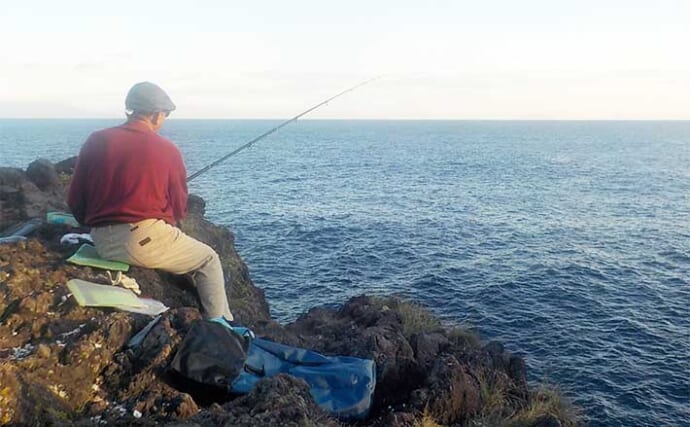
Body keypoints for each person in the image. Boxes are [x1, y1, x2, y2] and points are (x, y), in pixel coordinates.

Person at [67, 81, 233, 320]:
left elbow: (75, 198)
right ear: (156, 115)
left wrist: (94, 222)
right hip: (140, 240)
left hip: (101, 240)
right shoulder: (167, 149)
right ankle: (221, 327)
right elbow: (178, 207)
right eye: (164, 115)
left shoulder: (97, 140)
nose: (163, 120)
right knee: (208, 259)